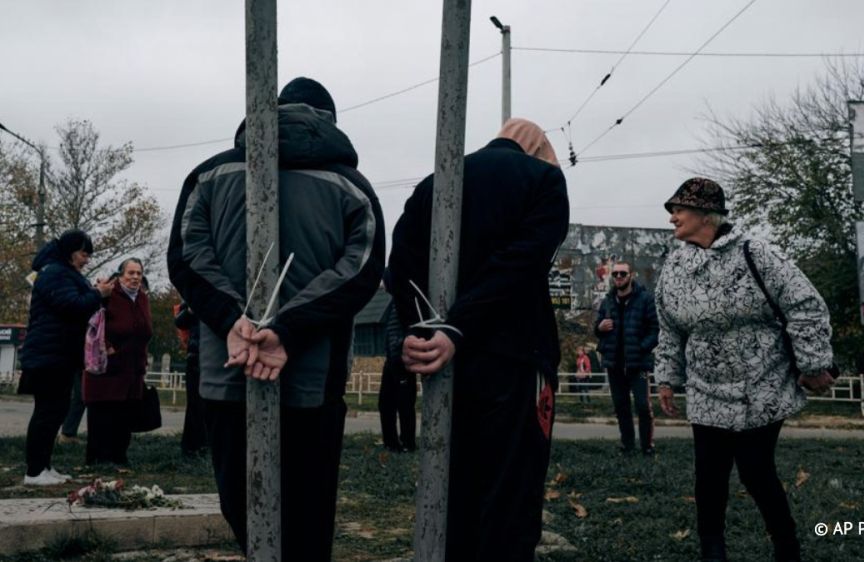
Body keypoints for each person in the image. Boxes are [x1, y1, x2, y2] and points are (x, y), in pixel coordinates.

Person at [167, 76, 384, 561]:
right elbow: (362, 270)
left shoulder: (208, 175)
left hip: (229, 366)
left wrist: (231, 322)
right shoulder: (351, 187)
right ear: (328, 120)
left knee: (241, 502)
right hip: (312, 376)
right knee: (308, 513)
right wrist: (288, 329)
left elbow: (185, 258)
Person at [387, 117, 568, 561]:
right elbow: (523, 261)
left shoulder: (435, 183)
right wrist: (459, 325)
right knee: (512, 487)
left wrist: (423, 329)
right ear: (539, 147)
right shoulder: (543, 180)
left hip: (445, 361)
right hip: (518, 357)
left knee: (454, 481)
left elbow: (401, 266)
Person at [654, 177, 836, 562]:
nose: (673, 217)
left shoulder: (756, 254)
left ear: (707, 215)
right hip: (707, 387)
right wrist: (666, 377)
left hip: (762, 384)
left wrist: (813, 364)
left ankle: (786, 545)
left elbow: (805, 305)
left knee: (755, 470)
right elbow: (670, 327)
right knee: (709, 475)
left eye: (679, 209)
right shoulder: (674, 266)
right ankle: (712, 551)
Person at [19, 230, 112, 485]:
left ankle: (44, 466)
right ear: (70, 252)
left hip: (58, 354)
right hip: (48, 355)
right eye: (84, 254)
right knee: (46, 413)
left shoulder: (61, 273)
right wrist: (98, 294)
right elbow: (71, 306)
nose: (87, 260)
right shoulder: (54, 273)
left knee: (55, 411)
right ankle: (34, 472)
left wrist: (93, 292)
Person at [83, 258, 153, 466]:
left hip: (133, 367)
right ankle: (98, 458)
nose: (135, 277)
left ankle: (119, 456)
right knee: (104, 414)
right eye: (130, 273)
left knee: (125, 415)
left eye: (139, 273)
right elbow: (94, 325)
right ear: (120, 275)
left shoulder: (142, 298)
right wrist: (109, 348)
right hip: (108, 366)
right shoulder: (108, 294)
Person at [593, 261, 659, 455]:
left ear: (631, 275)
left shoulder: (645, 299)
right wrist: (599, 328)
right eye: (615, 274)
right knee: (621, 407)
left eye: (623, 273)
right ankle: (627, 446)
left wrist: (640, 348)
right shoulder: (608, 301)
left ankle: (647, 446)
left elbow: (655, 330)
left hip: (637, 364)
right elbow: (597, 328)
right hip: (614, 363)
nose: (619, 277)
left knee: (642, 406)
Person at [377, 300, 417, 452]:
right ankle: (391, 443)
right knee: (385, 404)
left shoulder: (406, 301)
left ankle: (408, 443)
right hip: (391, 360)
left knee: (405, 405)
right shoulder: (394, 302)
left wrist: (400, 347)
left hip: (403, 361)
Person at [174, 301, 207, 457]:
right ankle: (192, 447)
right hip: (196, 355)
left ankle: (206, 445)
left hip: (214, 355)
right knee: (195, 404)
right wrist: (190, 311)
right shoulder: (193, 295)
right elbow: (180, 321)